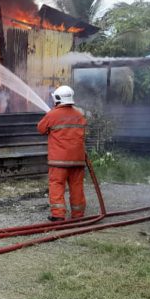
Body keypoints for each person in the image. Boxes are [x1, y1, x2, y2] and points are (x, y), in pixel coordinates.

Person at [36, 85, 87, 221]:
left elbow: (40, 129)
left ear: (57, 99)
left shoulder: (52, 114)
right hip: (78, 160)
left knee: (57, 185)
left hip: (59, 161)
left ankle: (58, 215)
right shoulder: (79, 115)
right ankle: (78, 215)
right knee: (77, 186)